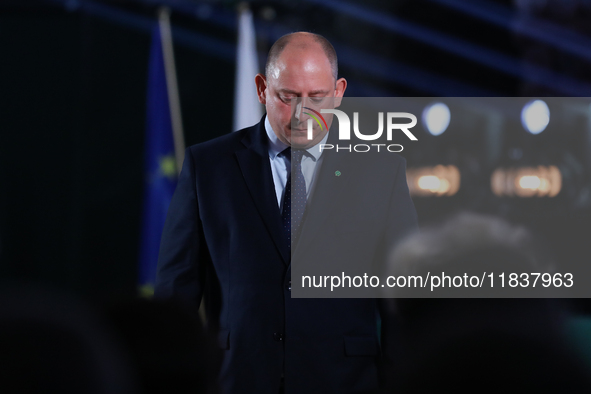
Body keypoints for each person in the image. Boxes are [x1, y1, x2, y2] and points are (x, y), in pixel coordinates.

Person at [155, 32, 418, 394]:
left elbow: (403, 304)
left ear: (339, 92)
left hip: (347, 383)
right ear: (262, 89)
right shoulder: (209, 166)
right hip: (236, 380)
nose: (302, 113)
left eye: (317, 97)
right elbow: (175, 295)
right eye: (288, 97)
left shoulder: (381, 173)